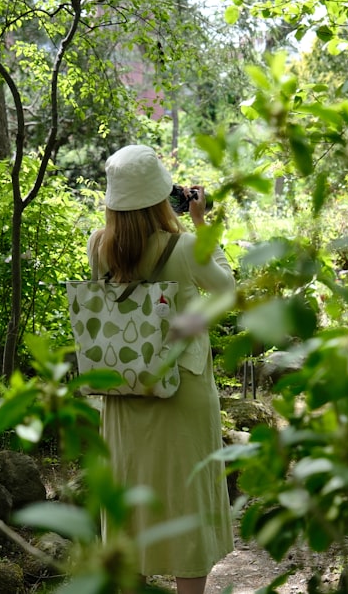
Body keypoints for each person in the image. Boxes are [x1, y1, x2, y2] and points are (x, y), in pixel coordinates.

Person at [87, 144, 235, 594]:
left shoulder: (98, 245)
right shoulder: (186, 247)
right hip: (182, 389)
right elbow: (227, 289)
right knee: (185, 501)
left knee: (129, 501)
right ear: (159, 196)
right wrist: (201, 222)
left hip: (125, 389)